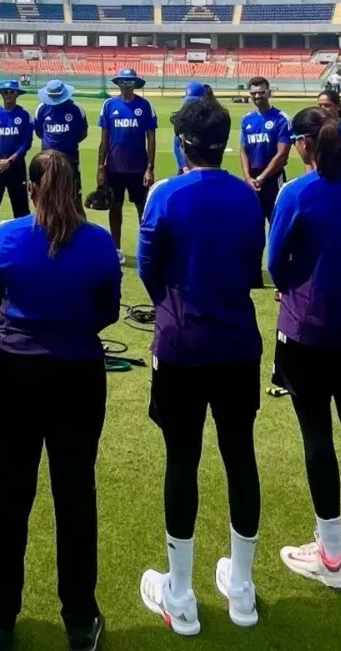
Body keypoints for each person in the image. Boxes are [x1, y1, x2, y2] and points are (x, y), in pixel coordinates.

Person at [0, 149, 119, 651]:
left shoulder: (7, 235)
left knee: (8, 497)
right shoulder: (99, 242)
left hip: (15, 372)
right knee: (75, 494)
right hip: (78, 373)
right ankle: (80, 621)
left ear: (32, 188)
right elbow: (107, 309)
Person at [136, 98, 265, 633]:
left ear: (183, 144)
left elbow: (148, 269)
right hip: (238, 343)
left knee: (182, 460)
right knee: (240, 456)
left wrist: (173, 305)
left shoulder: (164, 194)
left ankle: (182, 593)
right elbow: (253, 263)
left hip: (183, 345)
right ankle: (241, 590)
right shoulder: (248, 196)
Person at [269, 108, 341, 591]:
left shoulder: (296, 192)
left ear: (305, 145)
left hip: (307, 327)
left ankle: (332, 553)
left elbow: (276, 263)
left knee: (317, 431)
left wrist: (292, 284)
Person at [97, 69, 157, 264]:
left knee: (143, 209)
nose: (126, 84)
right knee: (115, 208)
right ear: (119, 83)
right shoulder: (109, 105)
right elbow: (104, 139)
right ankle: (116, 249)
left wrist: (150, 167)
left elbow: (151, 138)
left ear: (135, 83)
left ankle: (146, 248)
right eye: (123, 81)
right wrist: (100, 167)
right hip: (114, 167)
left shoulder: (145, 105)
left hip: (138, 168)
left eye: (130, 81)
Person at [239, 77, 291, 287]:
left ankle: (281, 276)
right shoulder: (247, 119)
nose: (257, 96)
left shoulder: (281, 119)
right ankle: (254, 276)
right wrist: (248, 177)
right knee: (253, 227)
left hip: (273, 179)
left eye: (261, 92)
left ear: (269, 92)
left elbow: (282, 154)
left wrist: (262, 177)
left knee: (278, 228)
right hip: (252, 181)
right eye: (253, 93)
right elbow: (243, 150)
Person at [0, 79, 33, 253]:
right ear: (1, 94)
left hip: (16, 166)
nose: (8, 94)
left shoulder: (24, 115)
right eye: (5, 92)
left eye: (12, 91)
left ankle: (25, 242)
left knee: (20, 205)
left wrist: (10, 161)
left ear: (17, 94)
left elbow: (26, 142)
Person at [34, 80, 88, 193]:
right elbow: (39, 133)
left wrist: (67, 144)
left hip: (70, 159)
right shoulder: (42, 109)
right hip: (47, 160)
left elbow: (82, 133)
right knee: (48, 195)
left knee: (73, 195)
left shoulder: (76, 108)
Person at [172, 82, 209, 175]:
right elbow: (177, 145)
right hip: (185, 170)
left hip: (205, 170)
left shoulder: (210, 120)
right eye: (189, 101)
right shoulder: (181, 119)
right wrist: (184, 167)